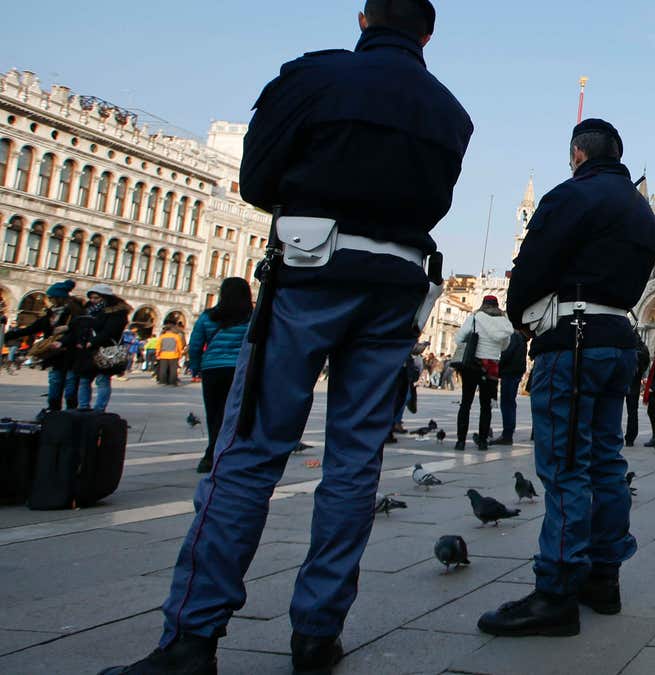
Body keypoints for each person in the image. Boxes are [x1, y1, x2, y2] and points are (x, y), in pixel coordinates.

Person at [101, 2, 472, 673]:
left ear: (363, 20)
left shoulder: (313, 77)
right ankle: (316, 633)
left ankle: (192, 636)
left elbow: (256, 179)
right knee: (355, 462)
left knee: (249, 449)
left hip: (310, 272)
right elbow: (436, 201)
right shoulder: (450, 112)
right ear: (427, 33)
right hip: (394, 289)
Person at [479, 118, 655, 637]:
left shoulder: (571, 196)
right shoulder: (642, 214)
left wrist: (520, 315)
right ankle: (603, 577)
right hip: (618, 342)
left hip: (573, 342)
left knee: (564, 465)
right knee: (607, 460)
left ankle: (556, 590)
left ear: (578, 155)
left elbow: (531, 264)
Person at [188, 278, 253, 474]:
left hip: (212, 370)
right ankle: (229, 452)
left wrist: (196, 366)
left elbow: (195, 344)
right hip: (240, 370)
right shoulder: (251, 317)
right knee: (234, 413)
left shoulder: (208, 317)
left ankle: (211, 454)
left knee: (214, 412)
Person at [5, 279, 84, 413]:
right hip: (55, 355)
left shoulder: (76, 312)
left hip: (72, 354)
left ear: (60, 298)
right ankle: (53, 411)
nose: (50, 300)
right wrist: (9, 335)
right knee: (55, 382)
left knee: (70, 386)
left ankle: (71, 413)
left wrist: (64, 338)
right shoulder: (50, 313)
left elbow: (81, 330)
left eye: (52, 298)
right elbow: (33, 328)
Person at [453, 296, 512, 450]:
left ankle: (460, 441)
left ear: (483, 304)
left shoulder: (474, 318)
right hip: (491, 366)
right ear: (497, 306)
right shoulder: (504, 323)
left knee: (466, 402)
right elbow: (505, 345)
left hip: (473, 364)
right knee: (486, 406)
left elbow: (459, 339)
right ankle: (484, 441)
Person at [69, 284, 131, 413]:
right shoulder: (89, 310)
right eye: (91, 298)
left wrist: (94, 341)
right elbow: (81, 326)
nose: (93, 300)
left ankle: (99, 408)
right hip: (88, 349)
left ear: (105, 297)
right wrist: (81, 341)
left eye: (96, 298)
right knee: (85, 378)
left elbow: (111, 330)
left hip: (106, 348)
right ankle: (83, 406)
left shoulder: (117, 311)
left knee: (102, 379)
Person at [495, 330, 528, 446]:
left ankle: (507, 434)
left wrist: (498, 365)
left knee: (507, 403)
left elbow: (507, 353)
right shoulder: (523, 338)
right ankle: (508, 433)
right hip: (516, 371)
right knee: (510, 402)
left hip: (509, 371)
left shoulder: (514, 336)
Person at [623, 336, 650, 447]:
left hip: (622, 380)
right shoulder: (643, 349)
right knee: (633, 411)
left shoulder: (626, 345)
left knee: (615, 408)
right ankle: (631, 437)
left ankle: (615, 435)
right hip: (635, 382)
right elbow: (646, 364)